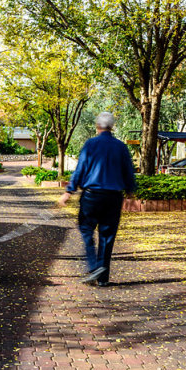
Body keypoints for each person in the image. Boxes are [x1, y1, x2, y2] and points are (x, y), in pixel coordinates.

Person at [58, 112, 136, 287]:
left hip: (91, 196)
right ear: (112, 126)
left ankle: (94, 266)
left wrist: (69, 191)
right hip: (114, 197)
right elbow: (128, 171)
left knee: (86, 230)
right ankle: (103, 279)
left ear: (97, 126)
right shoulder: (121, 147)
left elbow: (80, 169)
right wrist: (130, 192)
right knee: (107, 236)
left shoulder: (91, 144)